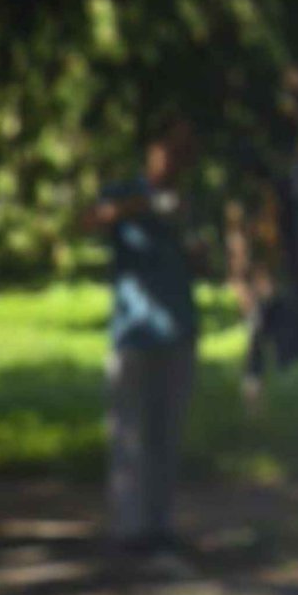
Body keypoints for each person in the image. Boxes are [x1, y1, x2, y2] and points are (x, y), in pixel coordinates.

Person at [84, 120, 200, 553]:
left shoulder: (189, 203)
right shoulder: (123, 195)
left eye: (183, 154)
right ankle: (129, 528)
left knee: (167, 436)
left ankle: (160, 527)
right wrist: (143, 206)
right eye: (170, 151)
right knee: (130, 433)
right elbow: (91, 221)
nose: (176, 162)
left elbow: (197, 261)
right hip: (134, 331)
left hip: (178, 327)